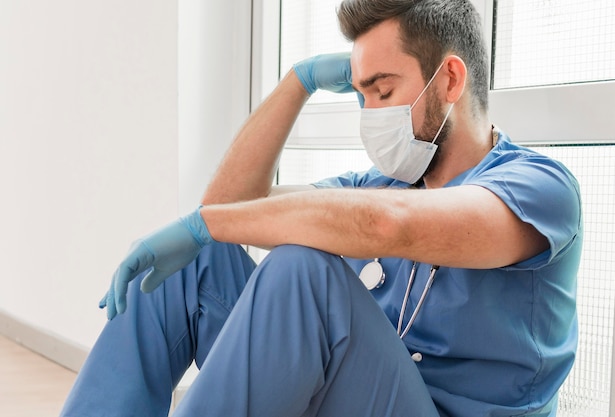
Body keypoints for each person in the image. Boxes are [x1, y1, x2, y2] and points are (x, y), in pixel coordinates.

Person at [60, 0, 582, 416]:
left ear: (448, 80)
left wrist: (203, 224)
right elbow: (228, 210)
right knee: (192, 264)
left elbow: (387, 226)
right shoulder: (378, 185)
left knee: (302, 270)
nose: (371, 115)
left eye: (383, 91)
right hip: (355, 396)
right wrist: (299, 82)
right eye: (361, 96)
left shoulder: (538, 186)